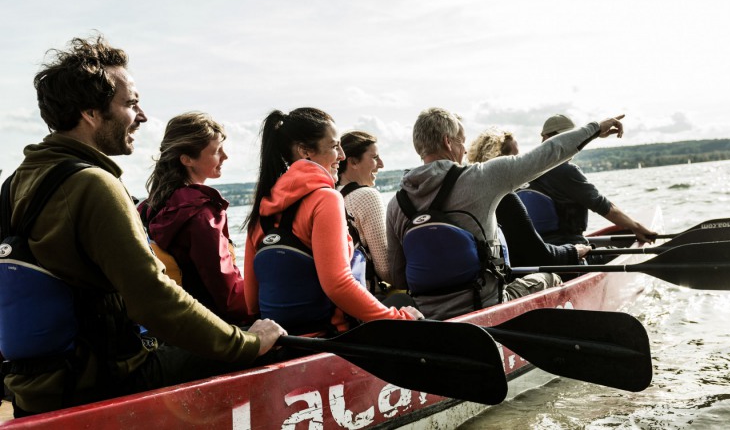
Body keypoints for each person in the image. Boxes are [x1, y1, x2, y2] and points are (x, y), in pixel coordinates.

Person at [1, 35, 285, 417]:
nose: (143, 116)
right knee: (272, 347)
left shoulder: (20, 180)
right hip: (101, 379)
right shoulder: (92, 184)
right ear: (90, 113)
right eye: (131, 103)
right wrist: (247, 343)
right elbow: (153, 297)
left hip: (37, 385)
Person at [385, 107, 626, 320]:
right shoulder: (480, 178)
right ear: (449, 142)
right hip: (488, 308)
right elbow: (547, 154)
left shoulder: (397, 203)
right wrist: (595, 129)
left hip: (429, 315)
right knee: (550, 278)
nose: (464, 149)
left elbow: (398, 276)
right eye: (462, 141)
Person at [243, 108, 423, 336]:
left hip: (284, 340)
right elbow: (338, 285)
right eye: (334, 146)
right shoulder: (325, 199)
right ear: (304, 151)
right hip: (330, 337)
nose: (342, 155)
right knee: (404, 301)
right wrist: (398, 318)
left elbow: (251, 302)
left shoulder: (261, 209)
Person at [138, 112, 251, 325]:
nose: (225, 157)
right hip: (214, 326)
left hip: (178, 322)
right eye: (217, 151)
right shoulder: (201, 213)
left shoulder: (149, 208)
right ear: (187, 159)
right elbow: (228, 295)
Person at [466, 128, 592, 266]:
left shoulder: (468, 196)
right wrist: (573, 251)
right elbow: (541, 256)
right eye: (516, 158)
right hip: (523, 274)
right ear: (503, 163)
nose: (521, 164)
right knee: (601, 254)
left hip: (498, 273)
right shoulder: (507, 200)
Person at [528, 114, 656, 245]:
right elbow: (604, 206)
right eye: (566, 139)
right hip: (572, 249)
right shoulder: (566, 171)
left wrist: (595, 133)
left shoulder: (528, 168)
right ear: (546, 139)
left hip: (540, 250)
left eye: (573, 138)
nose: (572, 143)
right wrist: (636, 227)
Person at [336, 130, 391, 294]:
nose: (381, 164)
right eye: (374, 158)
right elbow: (386, 270)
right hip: (367, 296)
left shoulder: (330, 196)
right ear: (352, 161)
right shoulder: (366, 196)